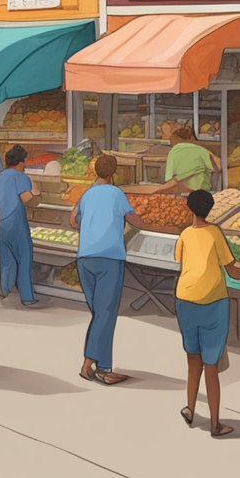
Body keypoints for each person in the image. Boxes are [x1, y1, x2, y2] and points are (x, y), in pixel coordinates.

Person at [175, 190, 240, 438]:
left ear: (190, 209)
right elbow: (233, 271)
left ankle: (191, 409)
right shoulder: (215, 233)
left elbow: (181, 262)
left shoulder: (184, 234)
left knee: (192, 360)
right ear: (210, 209)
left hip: (184, 300)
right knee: (211, 365)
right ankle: (215, 425)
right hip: (213, 302)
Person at [70, 154, 147, 386]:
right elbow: (134, 220)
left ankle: (104, 367)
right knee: (106, 314)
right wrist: (154, 226)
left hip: (85, 258)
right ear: (113, 172)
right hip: (109, 258)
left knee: (100, 314)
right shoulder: (116, 194)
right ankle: (88, 364)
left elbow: (73, 220)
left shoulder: (87, 194)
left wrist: (91, 224)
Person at [0, 145, 41, 306]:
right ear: (21, 162)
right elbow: (27, 199)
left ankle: (4, 291)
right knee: (24, 258)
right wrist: (37, 193)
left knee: (5, 260)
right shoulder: (20, 177)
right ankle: (27, 297)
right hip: (16, 224)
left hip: (1, 223)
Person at [159, 127, 218, 193]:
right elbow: (217, 168)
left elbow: (168, 177)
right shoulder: (202, 150)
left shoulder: (172, 152)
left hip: (180, 190)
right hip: (202, 190)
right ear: (192, 138)